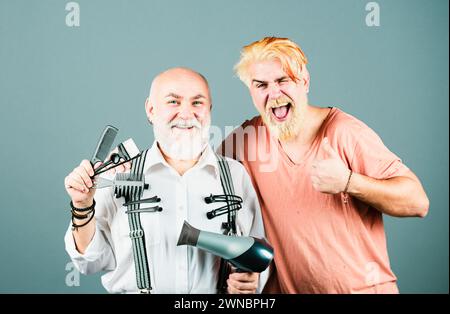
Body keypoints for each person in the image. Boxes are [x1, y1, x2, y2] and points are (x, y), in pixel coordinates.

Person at [220, 37, 429, 293]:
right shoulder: (247, 138)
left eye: (283, 80)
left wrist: (349, 182)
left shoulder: (344, 131)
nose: (274, 94)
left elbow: (417, 202)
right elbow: (202, 177)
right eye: (261, 85)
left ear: (304, 82)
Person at [64, 67, 268, 294]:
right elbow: (88, 263)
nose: (186, 114)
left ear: (209, 110)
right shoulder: (115, 176)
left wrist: (251, 280)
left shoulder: (236, 176)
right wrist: (82, 205)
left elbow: (258, 256)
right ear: (151, 110)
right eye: (174, 102)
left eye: (197, 103)